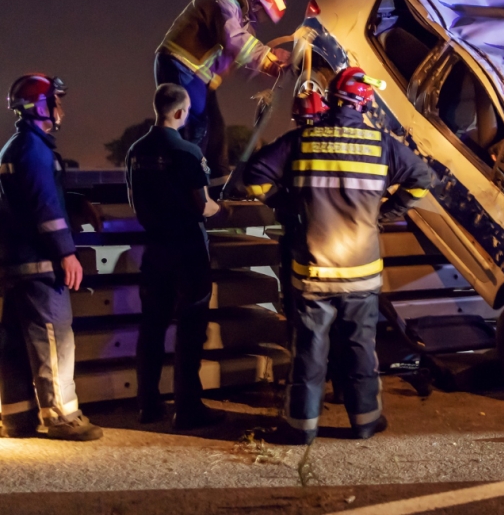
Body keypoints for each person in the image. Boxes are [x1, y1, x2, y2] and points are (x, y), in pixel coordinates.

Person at [243, 67, 433, 444]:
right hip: (362, 273)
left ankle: (302, 428)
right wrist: (383, 214)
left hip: (312, 271)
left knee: (310, 349)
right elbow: (423, 181)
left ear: (331, 100)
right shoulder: (383, 145)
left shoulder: (301, 140)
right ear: (365, 102)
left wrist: (290, 205)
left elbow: (254, 179)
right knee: (361, 347)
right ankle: (365, 422)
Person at [0, 74, 102, 441]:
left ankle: (16, 418)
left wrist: (75, 203)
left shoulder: (17, 148)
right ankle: (61, 416)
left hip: (15, 265)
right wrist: (67, 253)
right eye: (56, 100)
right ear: (40, 106)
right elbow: (44, 207)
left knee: (13, 343)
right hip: (41, 265)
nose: (61, 107)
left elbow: (29, 200)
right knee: (54, 340)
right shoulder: (34, 150)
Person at [125, 83, 226, 429]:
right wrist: (219, 208)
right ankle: (187, 408)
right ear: (181, 113)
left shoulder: (136, 151)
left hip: (154, 249)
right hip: (188, 250)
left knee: (152, 326)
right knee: (190, 327)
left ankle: (147, 405)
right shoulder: (187, 152)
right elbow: (202, 204)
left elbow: (135, 202)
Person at [155, 0, 291, 181]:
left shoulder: (240, 20)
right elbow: (235, 41)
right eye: (264, 12)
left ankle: (218, 179)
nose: (262, 19)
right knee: (195, 125)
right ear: (254, 1)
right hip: (179, 64)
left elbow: (240, 57)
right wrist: (269, 58)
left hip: (199, 76)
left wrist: (268, 67)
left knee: (215, 129)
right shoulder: (223, 0)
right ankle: (186, 183)